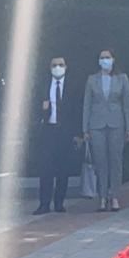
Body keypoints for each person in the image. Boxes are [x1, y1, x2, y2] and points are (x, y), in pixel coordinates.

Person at [82, 49, 129, 212]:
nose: (105, 60)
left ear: (113, 59)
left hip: (116, 123)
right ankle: (103, 196)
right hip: (96, 125)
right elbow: (87, 105)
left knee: (115, 160)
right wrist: (85, 128)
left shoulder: (122, 78)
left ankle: (115, 195)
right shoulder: (92, 80)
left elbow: (127, 104)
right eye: (102, 57)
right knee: (100, 162)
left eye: (108, 57)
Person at [34, 56, 84, 215]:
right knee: (46, 168)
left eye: (60, 65)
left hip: (66, 131)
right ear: (50, 68)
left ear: (66, 67)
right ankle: (44, 203)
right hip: (49, 129)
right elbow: (33, 107)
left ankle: (59, 202)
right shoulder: (43, 86)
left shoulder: (73, 86)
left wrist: (78, 133)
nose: (57, 67)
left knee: (63, 169)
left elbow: (78, 110)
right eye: (54, 65)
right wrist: (43, 110)